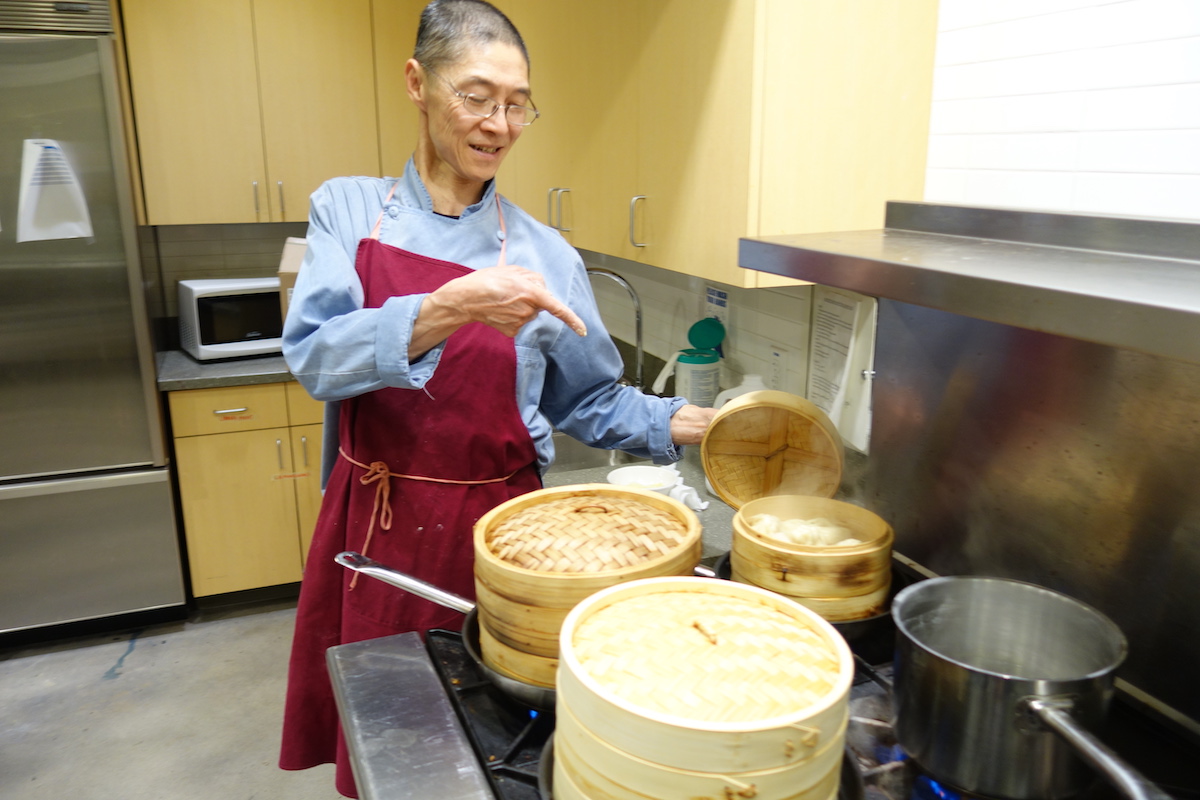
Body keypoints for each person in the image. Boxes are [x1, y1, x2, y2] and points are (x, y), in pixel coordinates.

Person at [278, 0, 716, 795]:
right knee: (395, 751)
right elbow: (317, 356)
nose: (500, 124)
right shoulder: (347, 209)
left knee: (494, 748)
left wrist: (698, 425)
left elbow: (589, 401)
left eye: (518, 104)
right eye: (476, 96)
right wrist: (456, 304)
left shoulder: (547, 253)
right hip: (375, 525)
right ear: (418, 82)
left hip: (509, 540)